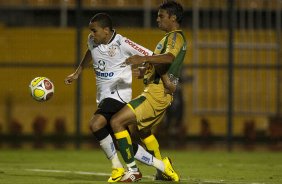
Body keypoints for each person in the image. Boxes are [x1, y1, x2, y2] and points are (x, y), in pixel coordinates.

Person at [64, 13, 177, 183]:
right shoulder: (92, 40)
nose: (92, 34)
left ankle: (120, 168)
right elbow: (90, 51)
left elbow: (151, 56)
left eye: (95, 31)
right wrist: (78, 72)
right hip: (103, 96)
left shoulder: (123, 43)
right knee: (122, 143)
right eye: (91, 31)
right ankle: (162, 166)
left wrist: (160, 78)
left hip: (118, 94)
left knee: (95, 124)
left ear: (106, 30)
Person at [110, 0, 187, 182]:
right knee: (143, 132)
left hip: (156, 94)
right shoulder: (169, 38)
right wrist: (146, 70)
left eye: (161, 16)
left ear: (173, 17)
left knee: (116, 122)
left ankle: (132, 170)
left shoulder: (175, 37)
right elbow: (164, 64)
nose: (157, 19)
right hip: (157, 91)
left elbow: (168, 58)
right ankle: (162, 168)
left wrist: (143, 58)